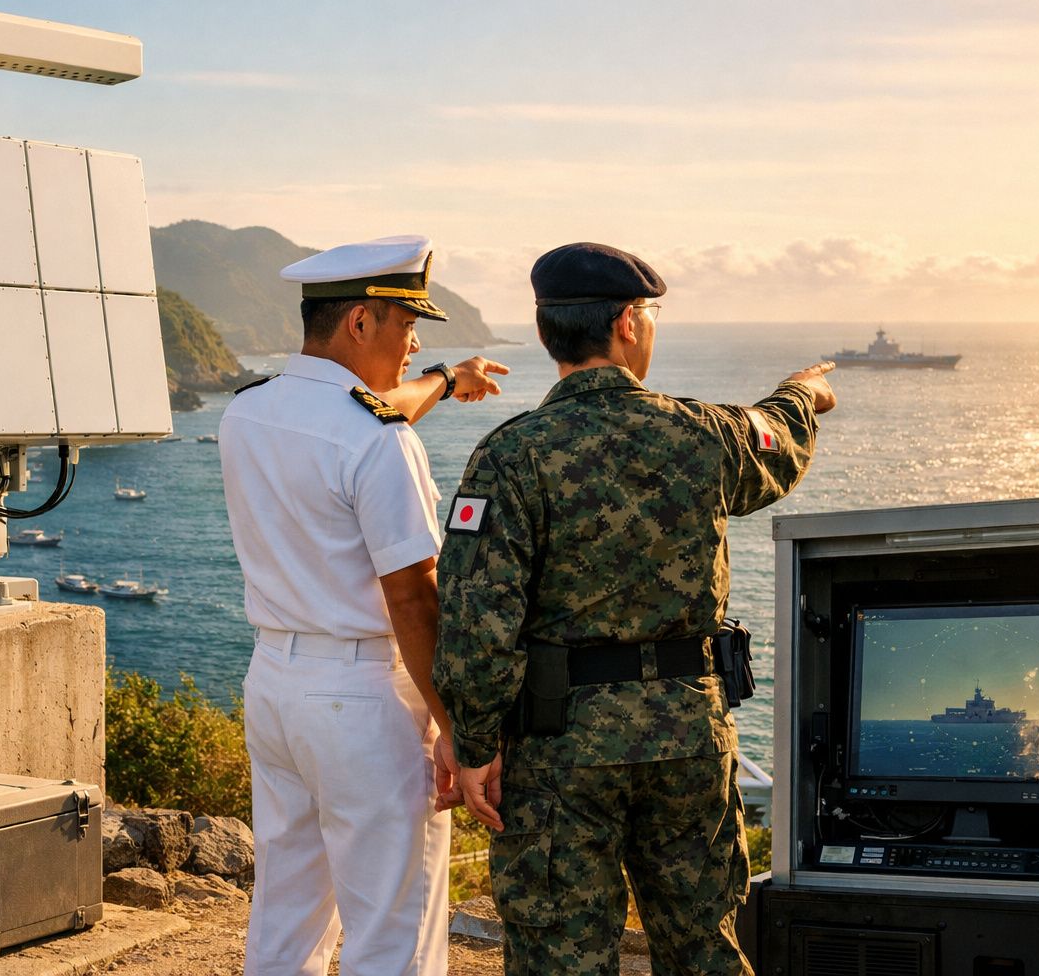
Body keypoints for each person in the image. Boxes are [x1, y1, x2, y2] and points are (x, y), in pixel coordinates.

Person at [433, 242, 838, 976]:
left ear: (548, 331)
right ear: (627, 323)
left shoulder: (510, 455)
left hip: (559, 750)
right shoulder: (702, 433)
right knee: (702, 950)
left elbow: (475, 618)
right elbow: (773, 437)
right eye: (649, 314)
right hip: (687, 736)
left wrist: (476, 743)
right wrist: (802, 394)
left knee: (560, 959)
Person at [219, 234, 508, 976]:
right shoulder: (380, 441)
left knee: (286, 915)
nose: (415, 344)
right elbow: (413, 598)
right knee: (393, 932)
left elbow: (364, 414)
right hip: (363, 701)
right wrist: (458, 729)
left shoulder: (247, 412)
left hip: (275, 686)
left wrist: (447, 380)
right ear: (359, 322)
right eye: (407, 326)